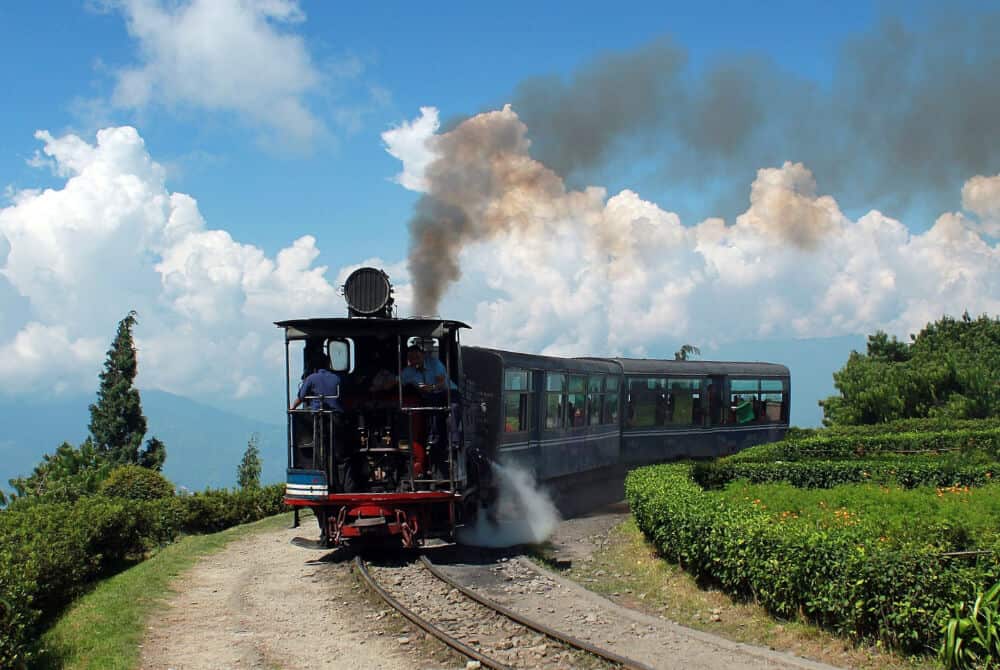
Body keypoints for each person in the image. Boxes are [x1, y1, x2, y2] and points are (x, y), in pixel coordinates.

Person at [400, 345, 460, 482]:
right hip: (431, 397)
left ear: (422, 355)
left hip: (447, 392)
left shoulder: (435, 363)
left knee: (453, 408)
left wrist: (430, 387)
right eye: (411, 358)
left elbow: (441, 382)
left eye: (416, 357)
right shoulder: (409, 372)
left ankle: (454, 442)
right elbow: (398, 380)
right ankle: (433, 439)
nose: (414, 360)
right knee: (431, 409)